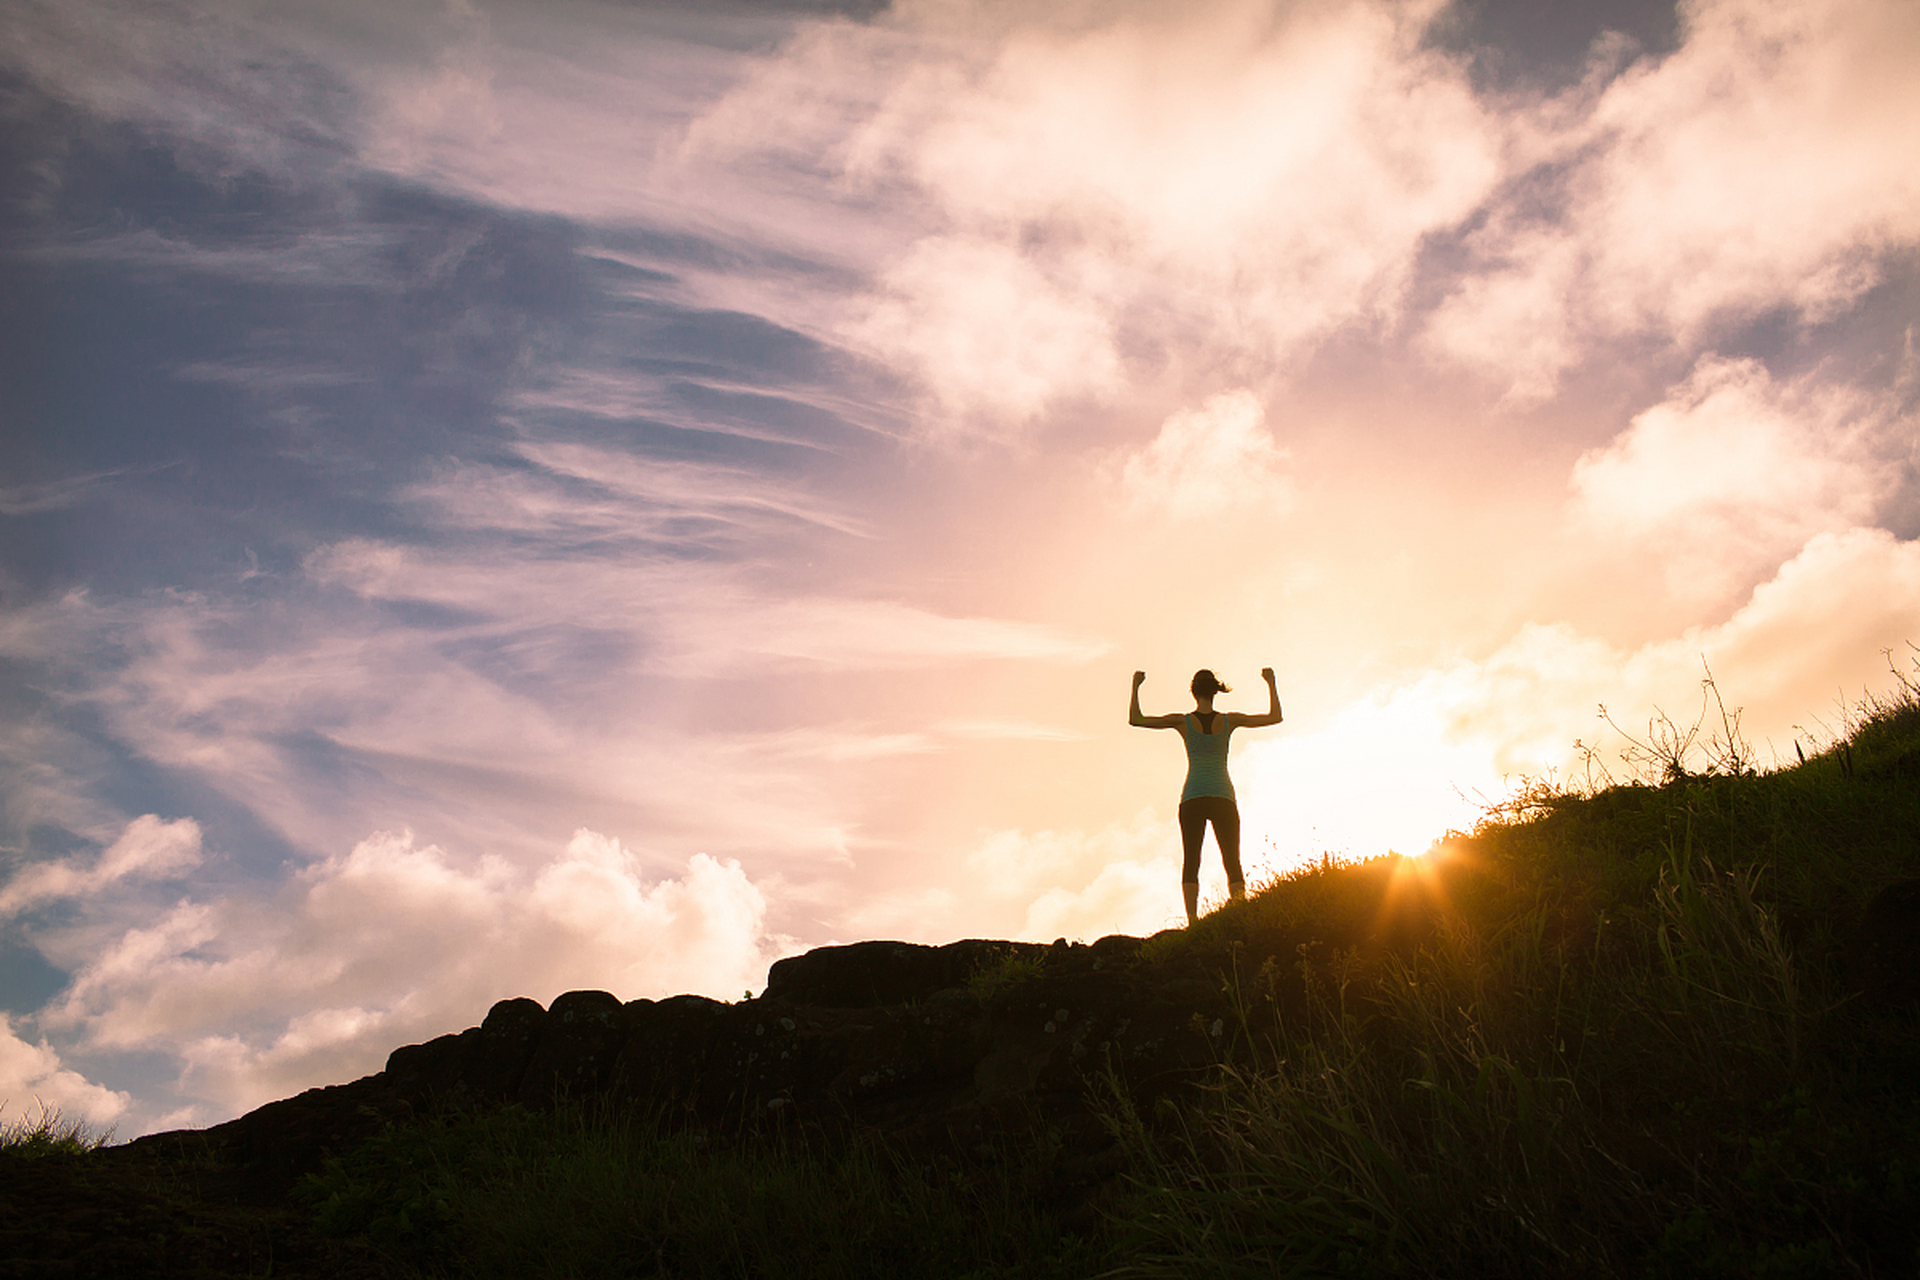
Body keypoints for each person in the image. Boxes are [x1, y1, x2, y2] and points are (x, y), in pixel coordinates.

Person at [1130, 667, 1283, 924]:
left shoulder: (1182, 721)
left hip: (1193, 797)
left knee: (1191, 860)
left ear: (1193, 692)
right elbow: (1274, 717)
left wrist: (1135, 686)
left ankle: (1192, 921)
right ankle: (1239, 914)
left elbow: (1137, 719)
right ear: (1216, 691)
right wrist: (1271, 682)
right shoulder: (1230, 720)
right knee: (1232, 860)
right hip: (1223, 796)